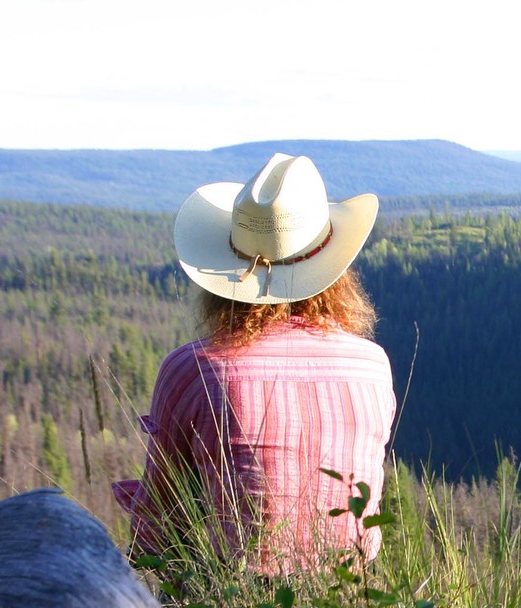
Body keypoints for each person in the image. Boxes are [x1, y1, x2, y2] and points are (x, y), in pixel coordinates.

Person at [113, 153, 396, 574]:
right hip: (353, 598)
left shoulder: (195, 368)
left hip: (236, 601)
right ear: (334, 273)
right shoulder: (373, 365)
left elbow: (159, 515)